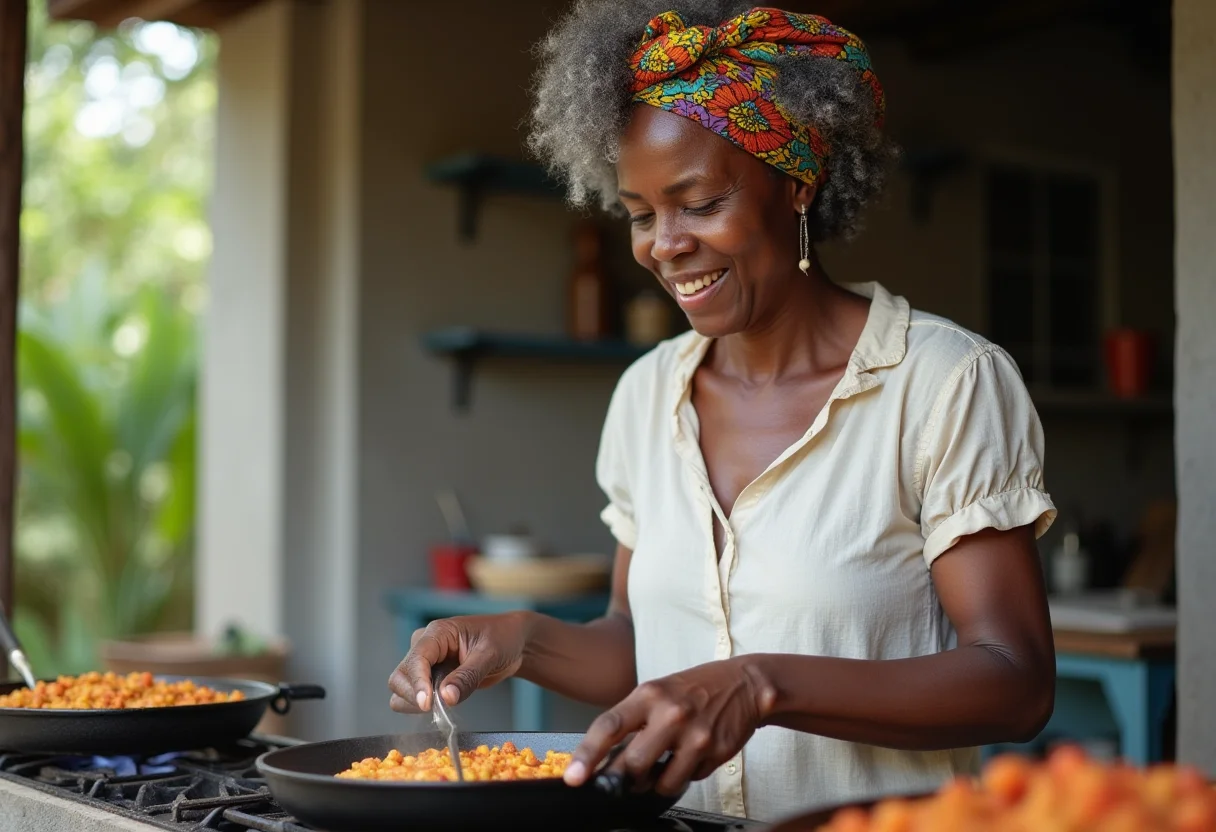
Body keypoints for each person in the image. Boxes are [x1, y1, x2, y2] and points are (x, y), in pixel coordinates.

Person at [390, 1, 1058, 822]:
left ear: (798, 184)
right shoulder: (647, 394)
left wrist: (760, 685)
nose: (664, 244)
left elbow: (1014, 680)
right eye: (641, 214)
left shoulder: (944, 383)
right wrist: (524, 637)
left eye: (700, 203)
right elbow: (640, 643)